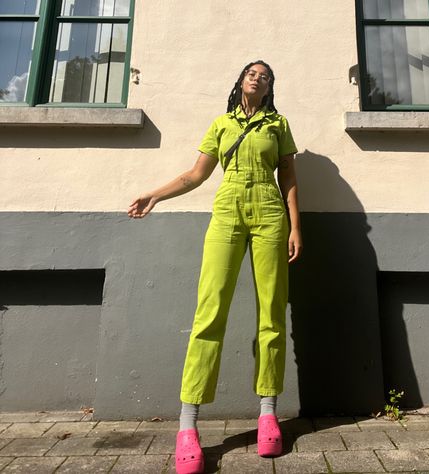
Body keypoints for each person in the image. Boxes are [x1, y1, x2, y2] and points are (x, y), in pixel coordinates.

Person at [128, 60, 302, 474]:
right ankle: (188, 425)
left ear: (270, 87)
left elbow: (290, 177)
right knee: (210, 311)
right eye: (251, 72)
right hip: (227, 212)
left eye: (265, 75)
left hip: (270, 214)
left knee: (272, 314)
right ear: (241, 80)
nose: (257, 77)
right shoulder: (222, 123)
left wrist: (297, 227)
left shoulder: (278, 124)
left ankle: (267, 413)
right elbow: (195, 175)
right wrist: (155, 195)